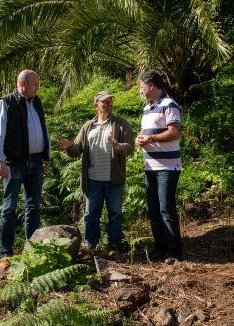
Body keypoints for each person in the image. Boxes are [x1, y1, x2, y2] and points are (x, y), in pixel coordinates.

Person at [57, 91, 135, 254]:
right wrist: (69, 147)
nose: (109, 104)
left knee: (115, 214)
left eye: (111, 102)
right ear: (96, 104)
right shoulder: (87, 126)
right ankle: (90, 245)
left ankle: (114, 245)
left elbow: (130, 147)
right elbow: (77, 149)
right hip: (93, 179)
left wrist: (119, 147)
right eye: (105, 102)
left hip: (114, 179)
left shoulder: (120, 124)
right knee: (91, 214)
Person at [0, 69, 51, 257]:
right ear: (23, 84)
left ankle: (31, 250)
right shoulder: (6, 103)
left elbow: (43, 129)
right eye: (35, 84)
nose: (38, 87)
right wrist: (0, 161)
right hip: (14, 164)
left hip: (35, 162)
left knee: (33, 207)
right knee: (9, 208)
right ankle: (6, 252)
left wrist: (46, 156)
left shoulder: (37, 102)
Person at [135, 70, 183, 263]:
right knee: (154, 210)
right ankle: (160, 250)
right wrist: (140, 138)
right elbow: (144, 132)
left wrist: (152, 138)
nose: (140, 90)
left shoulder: (169, 104)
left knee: (166, 209)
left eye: (141, 87)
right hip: (150, 167)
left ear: (151, 86)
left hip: (167, 167)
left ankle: (174, 252)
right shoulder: (147, 108)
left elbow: (174, 132)